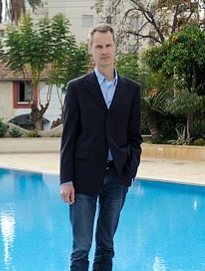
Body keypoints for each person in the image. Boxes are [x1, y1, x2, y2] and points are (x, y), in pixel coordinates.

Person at [60, 24, 142, 271]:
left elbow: (134, 137)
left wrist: (129, 172)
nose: (104, 51)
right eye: (99, 46)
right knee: (81, 248)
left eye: (108, 45)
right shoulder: (77, 88)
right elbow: (68, 138)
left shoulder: (132, 89)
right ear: (91, 50)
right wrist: (66, 180)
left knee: (106, 246)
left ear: (115, 47)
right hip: (83, 177)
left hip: (117, 177)